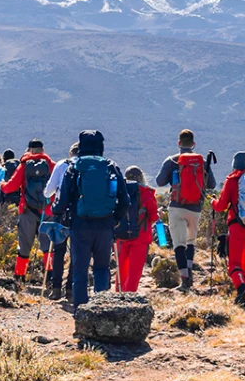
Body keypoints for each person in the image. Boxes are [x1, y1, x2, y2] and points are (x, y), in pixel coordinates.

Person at [53, 130, 130, 310]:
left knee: (80, 271)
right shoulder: (110, 166)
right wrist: (115, 219)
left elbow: (61, 202)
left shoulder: (74, 168)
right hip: (105, 225)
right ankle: (101, 309)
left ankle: (81, 311)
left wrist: (57, 211)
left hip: (80, 226)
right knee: (102, 268)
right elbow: (125, 201)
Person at [156, 129, 216, 292]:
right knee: (190, 242)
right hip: (195, 208)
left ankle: (184, 281)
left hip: (177, 206)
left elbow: (159, 181)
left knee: (179, 244)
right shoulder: (201, 161)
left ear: (179, 143)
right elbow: (212, 184)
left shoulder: (171, 161)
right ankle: (189, 272)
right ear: (193, 144)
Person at [211, 152, 245, 311]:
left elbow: (221, 206)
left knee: (234, 264)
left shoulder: (232, 180)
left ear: (234, 165)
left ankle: (241, 289)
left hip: (238, 227)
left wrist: (213, 202)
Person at [1, 139, 55, 282]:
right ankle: (50, 277)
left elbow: (11, 187)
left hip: (28, 211)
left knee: (24, 245)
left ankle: (20, 276)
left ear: (30, 149)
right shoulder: (51, 165)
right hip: (47, 211)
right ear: (42, 149)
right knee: (47, 246)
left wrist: (2, 185)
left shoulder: (24, 165)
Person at [43, 142, 79, 300]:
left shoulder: (62, 164)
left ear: (71, 152)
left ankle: (56, 288)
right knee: (77, 252)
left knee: (58, 250)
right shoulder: (87, 167)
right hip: (81, 215)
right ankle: (70, 288)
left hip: (61, 213)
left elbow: (48, 192)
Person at [115, 166, 159, 293]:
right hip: (140, 237)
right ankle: (129, 296)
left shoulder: (119, 191)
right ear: (141, 177)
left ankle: (118, 296)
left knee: (120, 270)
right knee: (134, 272)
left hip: (121, 237)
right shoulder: (146, 193)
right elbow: (154, 216)